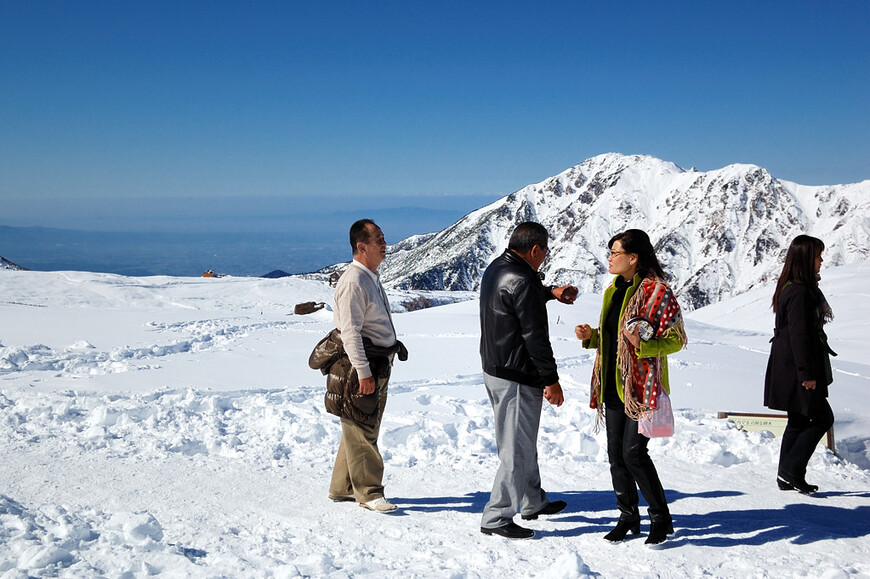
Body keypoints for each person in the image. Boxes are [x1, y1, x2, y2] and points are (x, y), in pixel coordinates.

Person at [575, 229, 686, 545]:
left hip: (641, 388)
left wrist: (645, 347)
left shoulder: (657, 293)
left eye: (614, 252)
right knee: (616, 455)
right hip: (612, 384)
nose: (609, 257)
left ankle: (660, 518)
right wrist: (592, 337)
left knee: (634, 454)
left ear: (633, 258)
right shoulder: (613, 291)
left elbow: (676, 340)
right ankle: (628, 517)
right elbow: (612, 339)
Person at [479, 221, 579, 539]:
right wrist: (551, 380)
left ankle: (532, 500)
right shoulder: (522, 278)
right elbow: (535, 337)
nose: (545, 258)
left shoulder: (499, 267)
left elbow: (519, 297)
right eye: (544, 252)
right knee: (517, 448)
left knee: (522, 439)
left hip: (496, 367)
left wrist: (550, 292)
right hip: (518, 374)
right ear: (534, 250)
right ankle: (497, 517)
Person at [326, 219, 406, 513]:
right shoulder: (353, 282)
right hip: (363, 364)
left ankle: (342, 487)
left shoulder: (369, 276)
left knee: (355, 426)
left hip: (377, 362)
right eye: (378, 239)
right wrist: (364, 372)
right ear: (361, 247)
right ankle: (369, 492)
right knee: (363, 428)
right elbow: (349, 332)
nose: (385, 244)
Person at [764, 235, 835, 494]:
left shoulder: (793, 287)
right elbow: (799, 335)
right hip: (797, 368)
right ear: (806, 259)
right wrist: (807, 373)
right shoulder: (800, 292)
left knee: (798, 419)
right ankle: (792, 470)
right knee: (822, 417)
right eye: (818, 256)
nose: (821, 261)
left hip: (788, 365)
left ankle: (786, 476)